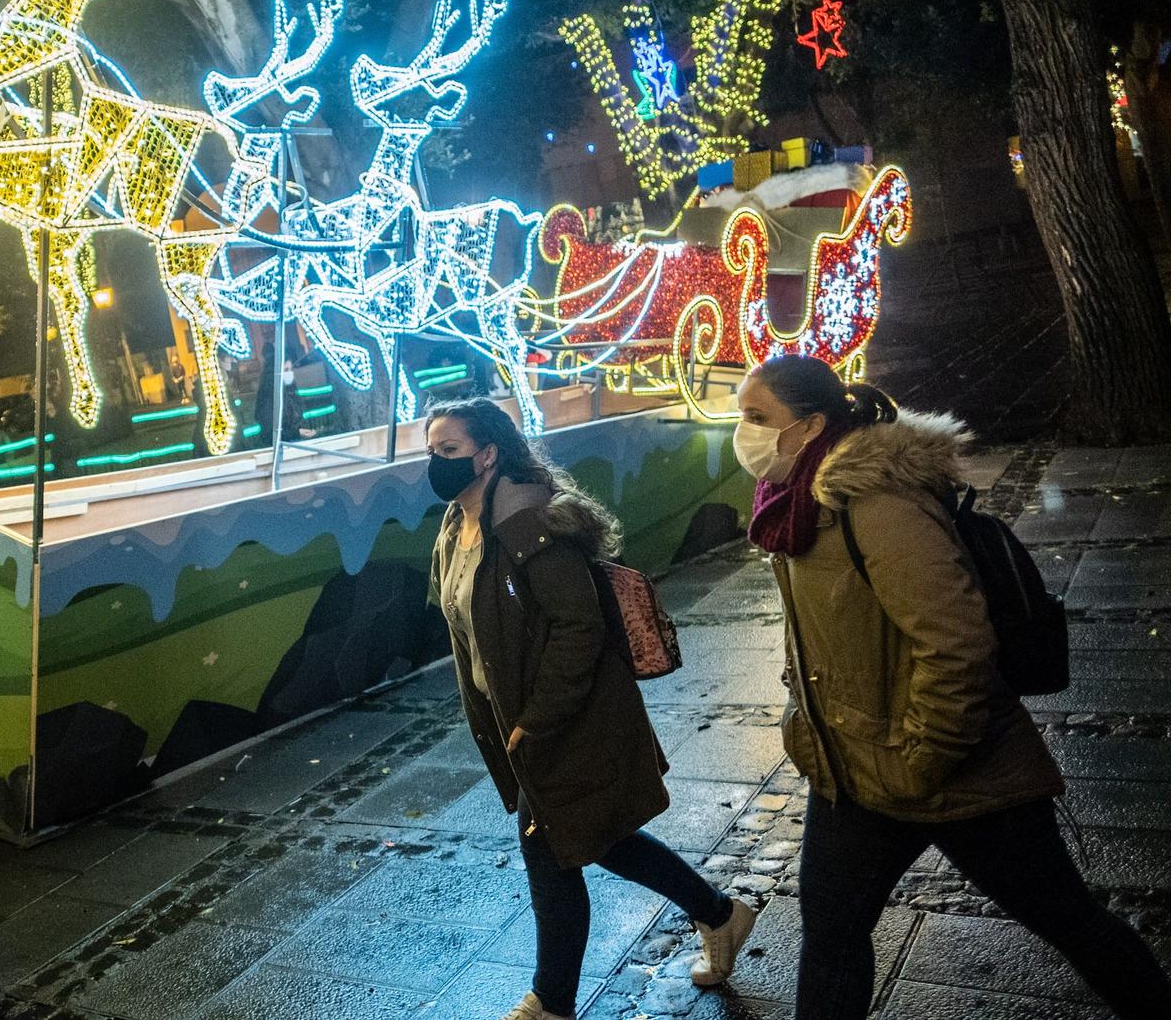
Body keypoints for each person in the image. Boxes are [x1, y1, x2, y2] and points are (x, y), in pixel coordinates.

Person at [736, 356, 1170, 1020]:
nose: (742, 432)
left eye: (756, 416)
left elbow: (957, 642)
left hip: (952, 771)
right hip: (854, 771)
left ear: (810, 424)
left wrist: (923, 757)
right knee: (830, 937)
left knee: (1069, 919)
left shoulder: (875, 505)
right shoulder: (791, 505)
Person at [426, 397, 757, 1020]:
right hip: (516, 720)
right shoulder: (454, 526)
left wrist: (535, 719)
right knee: (596, 837)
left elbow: (580, 629)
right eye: (431, 451)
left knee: (549, 848)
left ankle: (551, 1002)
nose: (437, 463)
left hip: (564, 719)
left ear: (488, 453)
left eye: (450, 451)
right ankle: (719, 913)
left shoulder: (531, 529)